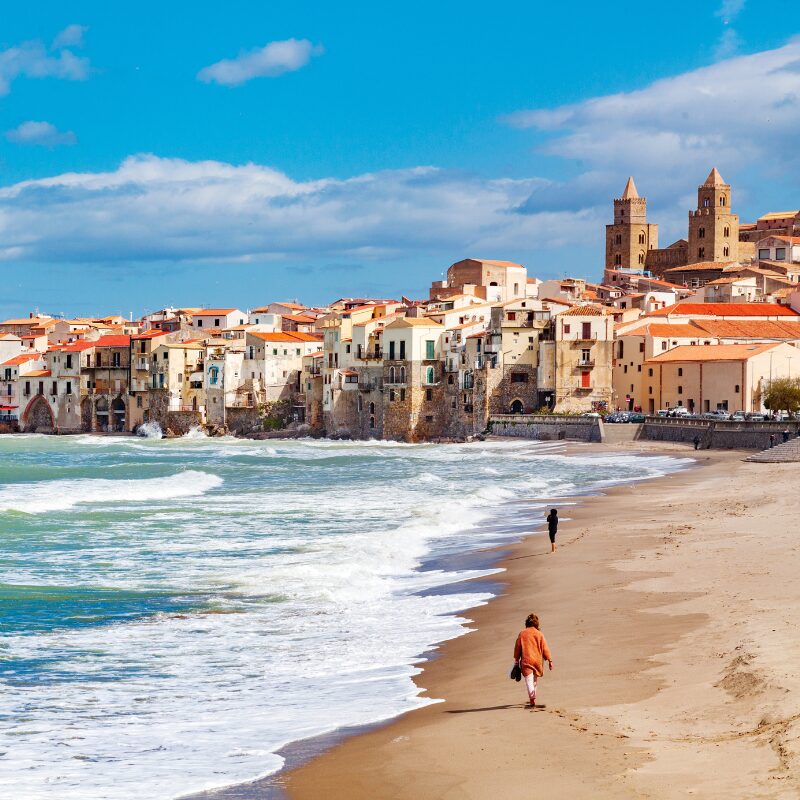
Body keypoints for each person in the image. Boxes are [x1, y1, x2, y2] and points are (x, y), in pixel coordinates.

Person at [513, 612, 553, 709]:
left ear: (527, 623)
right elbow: (545, 648)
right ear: (536, 624)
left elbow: (517, 648)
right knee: (534, 681)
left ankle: (532, 698)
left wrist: (516, 660)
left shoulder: (522, 633)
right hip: (537, 661)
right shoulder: (540, 634)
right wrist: (550, 660)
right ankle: (533, 695)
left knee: (529, 680)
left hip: (526, 661)